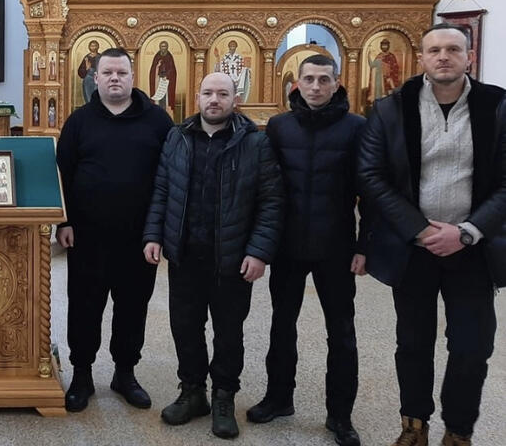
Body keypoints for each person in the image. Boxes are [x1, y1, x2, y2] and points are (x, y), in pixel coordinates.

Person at [358, 23, 506, 446]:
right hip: (414, 248)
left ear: (469, 57)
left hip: (473, 248)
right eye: (435, 50)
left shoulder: (497, 106)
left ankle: (458, 431)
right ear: (420, 58)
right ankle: (414, 426)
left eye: (453, 49)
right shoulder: (391, 109)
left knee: (472, 346)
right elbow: (371, 175)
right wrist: (418, 229)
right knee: (413, 343)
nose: (443, 56)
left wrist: (467, 232)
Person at [143, 72, 283, 439]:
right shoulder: (177, 138)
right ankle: (192, 392)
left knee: (228, 331)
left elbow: (271, 202)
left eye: (223, 93)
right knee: (185, 327)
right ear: (198, 98)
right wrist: (154, 235)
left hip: (232, 258)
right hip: (185, 254)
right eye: (208, 93)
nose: (214, 100)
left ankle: (223, 396)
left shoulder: (255, 143)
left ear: (236, 100)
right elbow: (162, 190)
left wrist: (258, 252)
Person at [248, 55, 366, 446]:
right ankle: (279, 398)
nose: (316, 87)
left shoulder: (356, 127)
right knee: (282, 324)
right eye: (309, 79)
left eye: (324, 80)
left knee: (342, 332)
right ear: (297, 83)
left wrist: (365, 246)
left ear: (337, 83)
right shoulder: (280, 126)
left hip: (336, 246)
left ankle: (340, 415)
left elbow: (369, 190)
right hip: (288, 244)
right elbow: (266, 188)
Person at [56, 48, 173, 413]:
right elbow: (62, 174)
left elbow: (169, 179)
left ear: (133, 77)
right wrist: (64, 221)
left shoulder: (158, 121)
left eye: (121, 72)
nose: (114, 78)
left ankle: (125, 373)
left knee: (133, 306)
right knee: (84, 306)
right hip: (87, 236)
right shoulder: (79, 121)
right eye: (107, 72)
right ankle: (82, 375)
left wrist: (159, 232)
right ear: (96, 78)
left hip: (139, 238)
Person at [369, 38, 402, 104]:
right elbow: (373, 67)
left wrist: (388, 75)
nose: (384, 47)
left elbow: (395, 68)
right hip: (380, 80)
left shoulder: (391, 56)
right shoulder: (379, 56)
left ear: (388, 46)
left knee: (388, 97)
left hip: (389, 79)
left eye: (386, 45)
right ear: (381, 46)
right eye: (383, 45)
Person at [149, 40, 177, 112]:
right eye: (162, 46)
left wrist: (167, 76)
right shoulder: (157, 56)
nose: (163, 48)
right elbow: (153, 69)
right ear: (160, 47)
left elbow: (172, 69)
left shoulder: (169, 57)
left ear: (167, 47)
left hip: (166, 80)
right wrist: (157, 67)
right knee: (159, 97)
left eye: (164, 46)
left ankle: (165, 111)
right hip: (158, 80)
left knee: (165, 98)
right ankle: (158, 110)